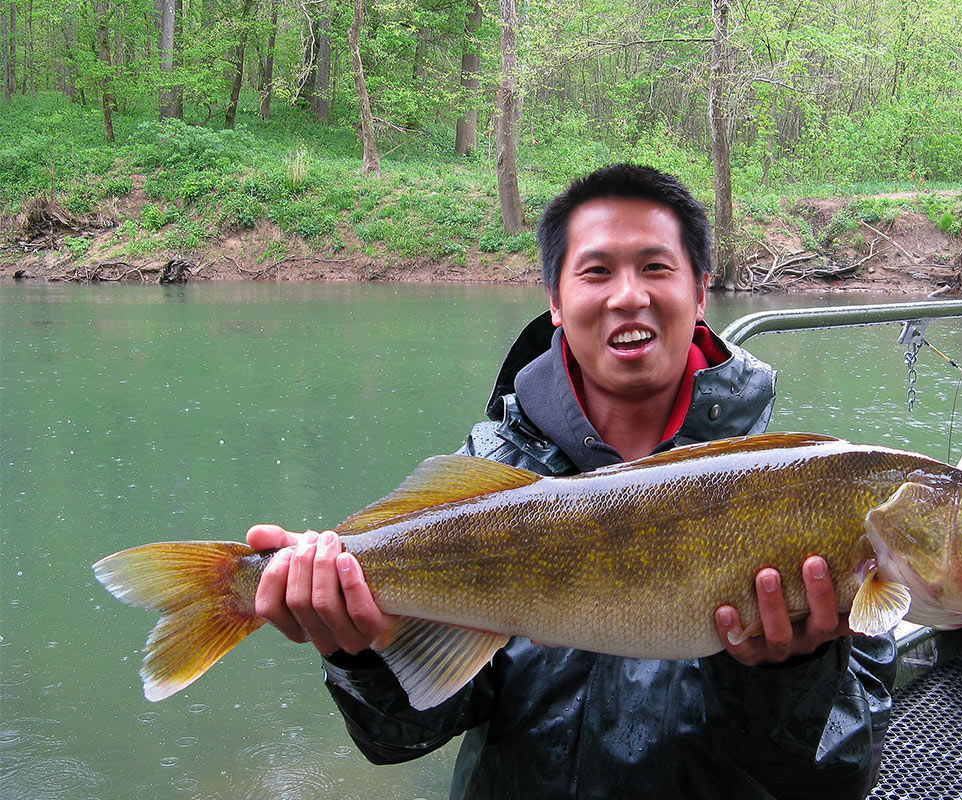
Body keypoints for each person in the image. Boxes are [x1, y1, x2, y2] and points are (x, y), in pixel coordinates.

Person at [247, 164, 895, 799]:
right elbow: (404, 737)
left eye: (655, 267)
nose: (627, 296)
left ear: (700, 292)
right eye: (596, 271)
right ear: (555, 301)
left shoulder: (806, 496)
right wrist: (358, 655)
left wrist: (796, 675)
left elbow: (839, 777)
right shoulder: (490, 470)